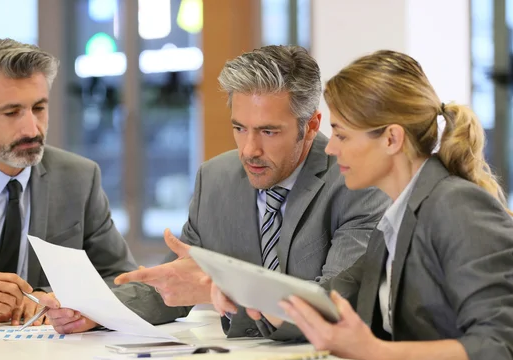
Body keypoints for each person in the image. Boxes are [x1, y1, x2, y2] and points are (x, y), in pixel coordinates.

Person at [242, 50, 512, 360]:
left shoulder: (456, 207)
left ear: (391, 139)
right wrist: (233, 285)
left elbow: (502, 352)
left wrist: (376, 353)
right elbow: (330, 299)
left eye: (341, 135)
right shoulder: (395, 221)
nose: (330, 149)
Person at [97, 45, 389, 339]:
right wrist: (91, 311)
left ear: (310, 125)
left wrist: (230, 291)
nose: (249, 150)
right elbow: (177, 282)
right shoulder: (215, 179)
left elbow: (335, 307)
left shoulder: (356, 182)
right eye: (239, 128)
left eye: (268, 132)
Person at [0, 38, 183, 328]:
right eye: (12, 112)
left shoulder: (79, 178)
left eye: (39, 108)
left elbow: (123, 280)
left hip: (50, 357)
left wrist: (62, 299)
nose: (32, 128)